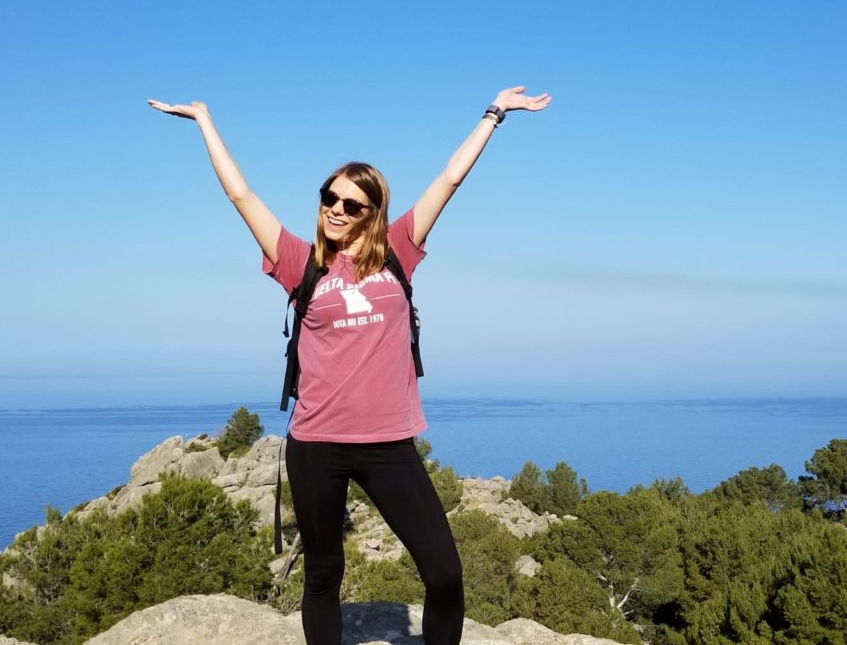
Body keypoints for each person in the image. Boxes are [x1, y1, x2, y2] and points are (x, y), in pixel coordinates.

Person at [148, 86, 551, 645]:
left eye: (351, 204)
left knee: (444, 573)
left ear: (373, 213)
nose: (335, 210)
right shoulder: (299, 263)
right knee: (323, 575)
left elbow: (449, 181)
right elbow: (241, 195)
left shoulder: (399, 251)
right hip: (317, 446)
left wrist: (494, 114)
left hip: (390, 444)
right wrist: (203, 121)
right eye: (328, 199)